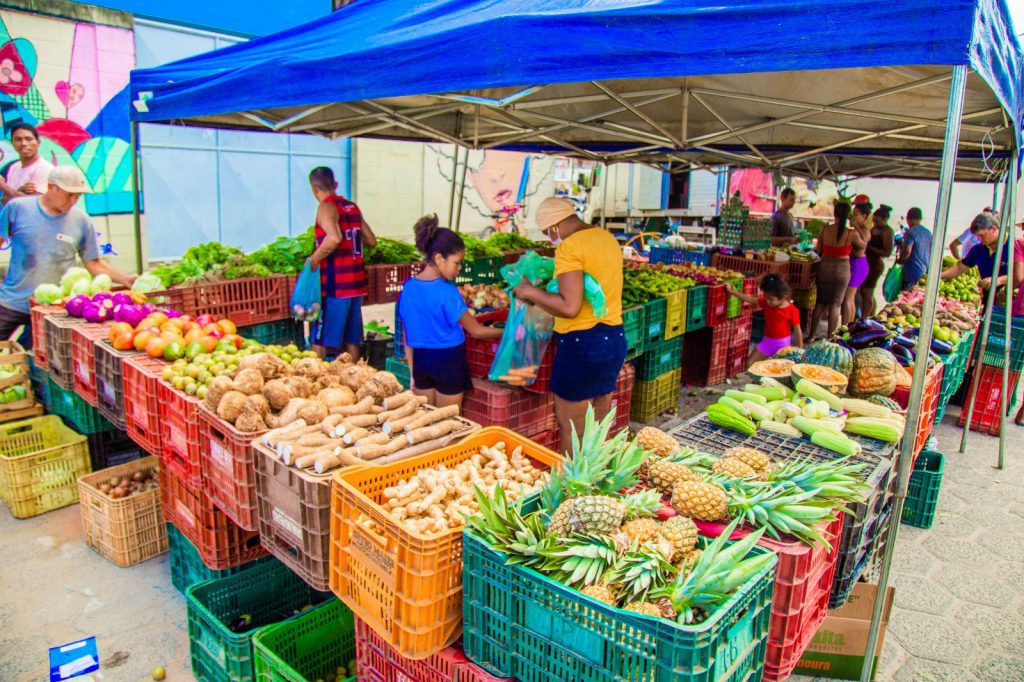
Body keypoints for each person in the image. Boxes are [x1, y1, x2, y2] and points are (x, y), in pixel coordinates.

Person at [512, 197, 625, 453]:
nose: (551, 240)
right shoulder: (607, 239)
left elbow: (569, 307)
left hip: (582, 344)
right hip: (613, 337)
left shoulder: (570, 247)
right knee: (597, 427)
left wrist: (529, 291)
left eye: (547, 233)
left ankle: (571, 489)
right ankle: (597, 485)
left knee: (573, 429)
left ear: (554, 226)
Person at [0, 166, 136, 345]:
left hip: (54, 308)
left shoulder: (81, 221)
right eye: (69, 194)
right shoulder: (17, 208)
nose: (73, 201)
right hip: (12, 300)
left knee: (36, 359)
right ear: (51, 187)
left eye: (78, 196)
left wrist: (126, 279)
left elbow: (93, 262)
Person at [397, 215, 503, 409]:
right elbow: (477, 331)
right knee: (449, 422)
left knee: (427, 421)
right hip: (448, 361)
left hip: (420, 361)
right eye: (457, 262)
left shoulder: (409, 287)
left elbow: (407, 336)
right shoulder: (448, 292)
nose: (459, 268)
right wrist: (509, 333)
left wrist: (413, 372)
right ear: (439, 258)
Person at [307, 166, 376, 361]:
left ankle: (317, 379)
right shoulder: (352, 207)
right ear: (335, 185)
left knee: (320, 337)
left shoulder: (325, 207)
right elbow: (371, 240)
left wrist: (313, 260)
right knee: (352, 337)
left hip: (334, 285)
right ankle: (354, 377)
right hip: (356, 284)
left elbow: (334, 238)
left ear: (314, 189)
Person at [725, 273, 802, 362]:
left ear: (782, 297)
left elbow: (797, 331)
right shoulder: (766, 302)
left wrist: (800, 350)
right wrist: (733, 292)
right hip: (767, 342)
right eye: (766, 297)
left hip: (783, 345)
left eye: (771, 299)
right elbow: (750, 299)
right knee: (749, 364)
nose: (768, 301)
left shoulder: (793, 310)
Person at [807, 202, 853, 343]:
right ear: (848, 215)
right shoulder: (851, 233)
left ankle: (811, 336)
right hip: (841, 269)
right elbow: (863, 246)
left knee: (820, 303)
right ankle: (830, 338)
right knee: (835, 305)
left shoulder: (825, 230)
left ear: (835, 214)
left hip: (825, 267)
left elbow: (819, 250)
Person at [940, 212, 1009, 295]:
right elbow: (960, 268)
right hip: (988, 299)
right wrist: (939, 277)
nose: (979, 239)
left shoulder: (1015, 246)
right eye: (977, 236)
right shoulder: (978, 249)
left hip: (1010, 302)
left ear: (993, 229)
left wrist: (999, 280)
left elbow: (1020, 275)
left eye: (981, 235)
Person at [0, 123, 53, 204]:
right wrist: (19, 192)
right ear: (12, 143)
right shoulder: (14, 167)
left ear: (38, 142)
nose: (23, 143)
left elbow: (34, 205)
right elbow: (4, 201)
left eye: (28, 139)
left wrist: (3, 186)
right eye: (18, 139)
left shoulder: (43, 168)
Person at [860, 204, 894, 317]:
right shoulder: (874, 228)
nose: (875, 224)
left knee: (868, 292)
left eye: (878, 221)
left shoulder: (887, 232)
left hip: (875, 265)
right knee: (865, 293)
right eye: (874, 221)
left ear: (885, 219)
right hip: (867, 263)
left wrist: (870, 248)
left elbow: (887, 252)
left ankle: (864, 318)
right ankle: (870, 315)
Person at [842, 200, 871, 324]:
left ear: (863, 216)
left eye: (856, 215)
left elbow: (863, 243)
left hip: (858, 265)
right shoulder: (859, 229)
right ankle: (849, 325)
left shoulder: (864, 230)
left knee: (847, 299)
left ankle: (843, 327)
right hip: (856, 264)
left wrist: (856, 226)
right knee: (851, 298)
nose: (853, 218)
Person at [897, 207, 932, 291]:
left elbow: (907, 252)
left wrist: (899, 261)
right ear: (920, 218)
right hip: (924, 271)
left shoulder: (910, 232)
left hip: (911, 271)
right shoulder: (928, 233)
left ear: (907, 218)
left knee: (906, 297)